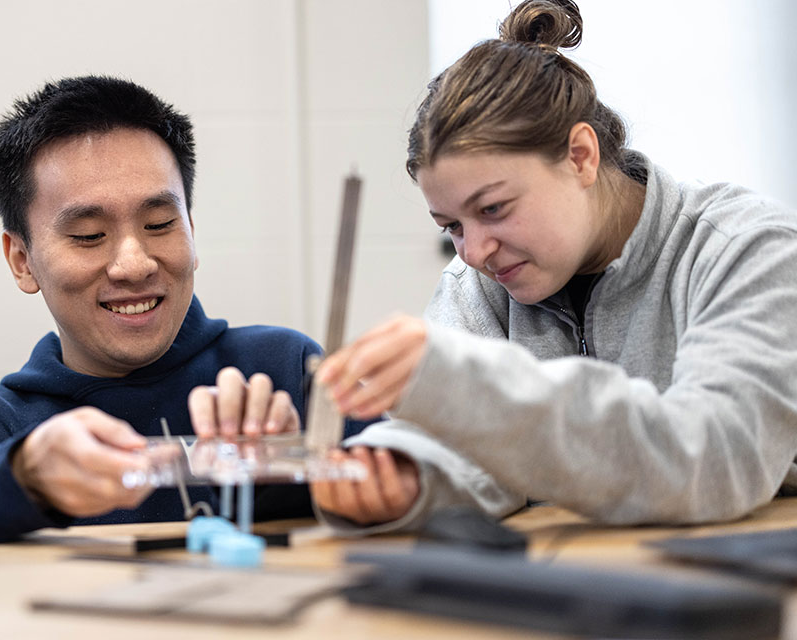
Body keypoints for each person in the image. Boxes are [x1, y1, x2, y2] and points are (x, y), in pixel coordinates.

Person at [0, 76, 328, 639]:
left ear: (192, 228)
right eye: (90, 235)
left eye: (160, 224)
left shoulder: (286, 372)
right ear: (22, 260)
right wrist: (13, 483)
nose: (133, 262)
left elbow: (418, 523)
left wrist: (293, 473)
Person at [311, 0, 797, 532]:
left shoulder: (746, 249)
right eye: (451, 226)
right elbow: (468, 450)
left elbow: (714, 460)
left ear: (581, 156)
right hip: (578, 583)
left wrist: (467, 384)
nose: (474, 252)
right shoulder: (478, 285)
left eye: (493, 209)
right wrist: (401, 476)